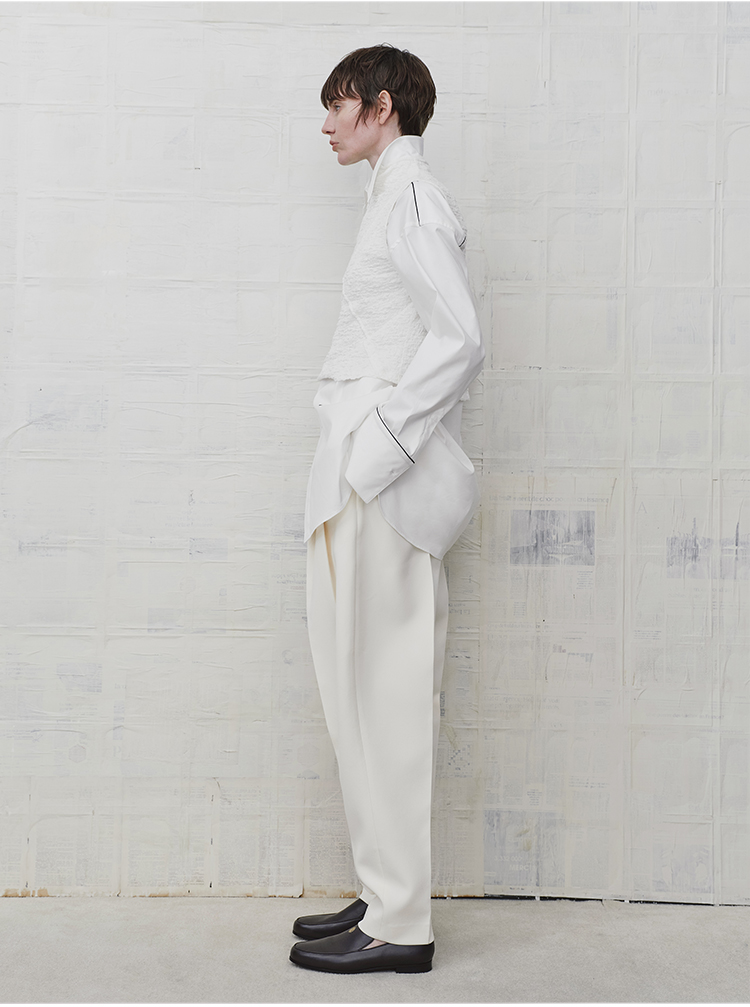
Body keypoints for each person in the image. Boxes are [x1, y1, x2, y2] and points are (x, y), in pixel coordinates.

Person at [289, 44, 484, 975]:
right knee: (353, 691)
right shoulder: (387, 196)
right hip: (357, 474)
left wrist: (380, 448)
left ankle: (403, 923)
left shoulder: (411, 197)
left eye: (339, 106)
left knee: (388, 696)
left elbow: (461, 338)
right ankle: (382, 891)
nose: (327, 125)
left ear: (380, 108)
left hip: (382, 485)